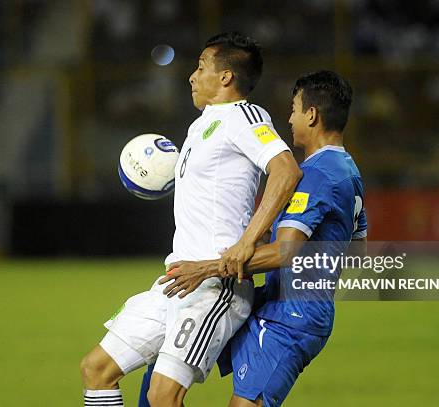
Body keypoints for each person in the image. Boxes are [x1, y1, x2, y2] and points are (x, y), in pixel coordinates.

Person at [80, 32, 301, 407]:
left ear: (226, 77)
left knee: (163, 396)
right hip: (176, 280)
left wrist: (248, 241)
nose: (192, 76)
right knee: (96, 370)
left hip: (213, 286)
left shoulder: (244, 116)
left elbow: (285, 170)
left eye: (201, 67)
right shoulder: (201, 125)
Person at [158, 70, 367, 406]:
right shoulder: (349, 171)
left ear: (312, 115)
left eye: (295, 109)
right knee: (166, 359)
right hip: (277, 305)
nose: (289, 118)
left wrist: (206, 268)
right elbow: (357, 250)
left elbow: (285, 252)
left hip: (290, 318)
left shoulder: (318, 174)